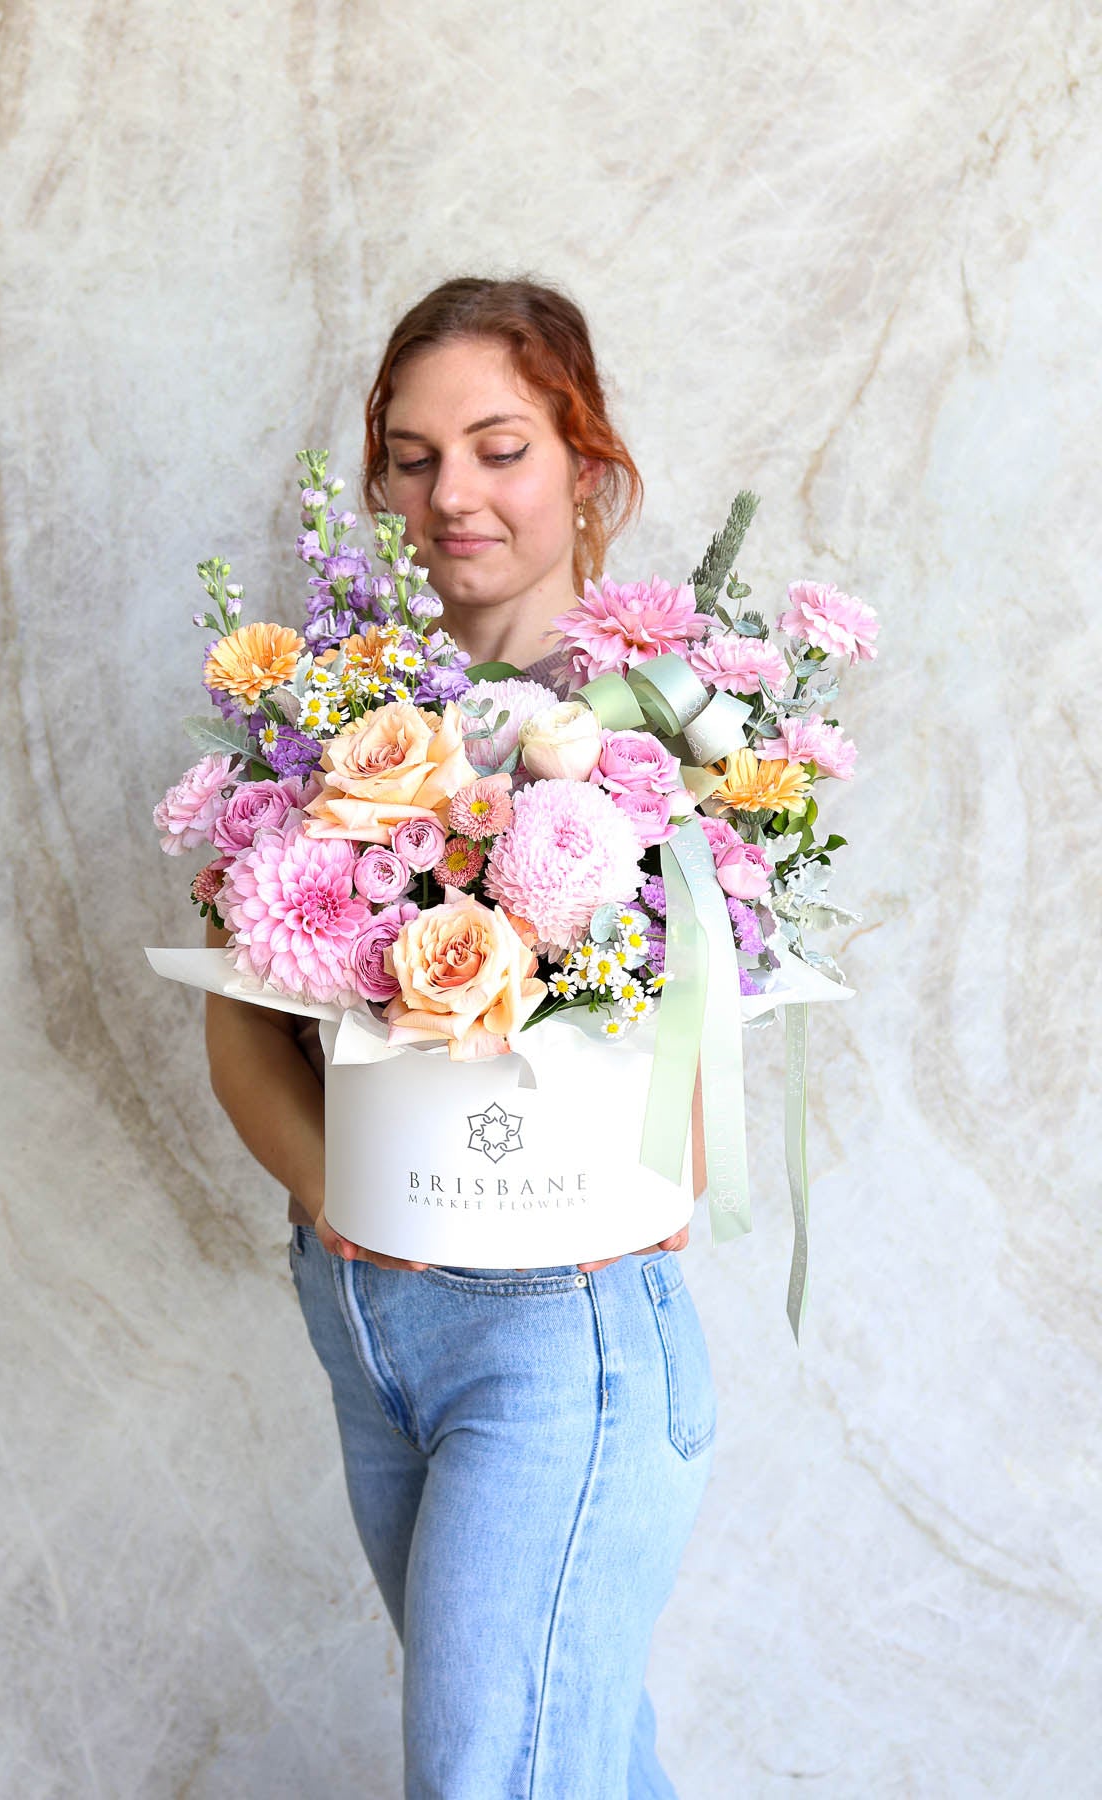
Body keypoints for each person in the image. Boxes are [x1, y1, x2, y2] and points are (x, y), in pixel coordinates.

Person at [204, 276, 717, 1799]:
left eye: (499, 448)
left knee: (499, 1779)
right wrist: (340, 1201)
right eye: (413, 457)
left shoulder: (668, 734)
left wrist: (642, 1164)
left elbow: (705, 1055)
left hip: (560, 1331)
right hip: (368, 1329)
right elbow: (241, 1037)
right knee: (574, 1766)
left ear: (587, 470)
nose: (453, 494)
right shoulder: (326, 721)